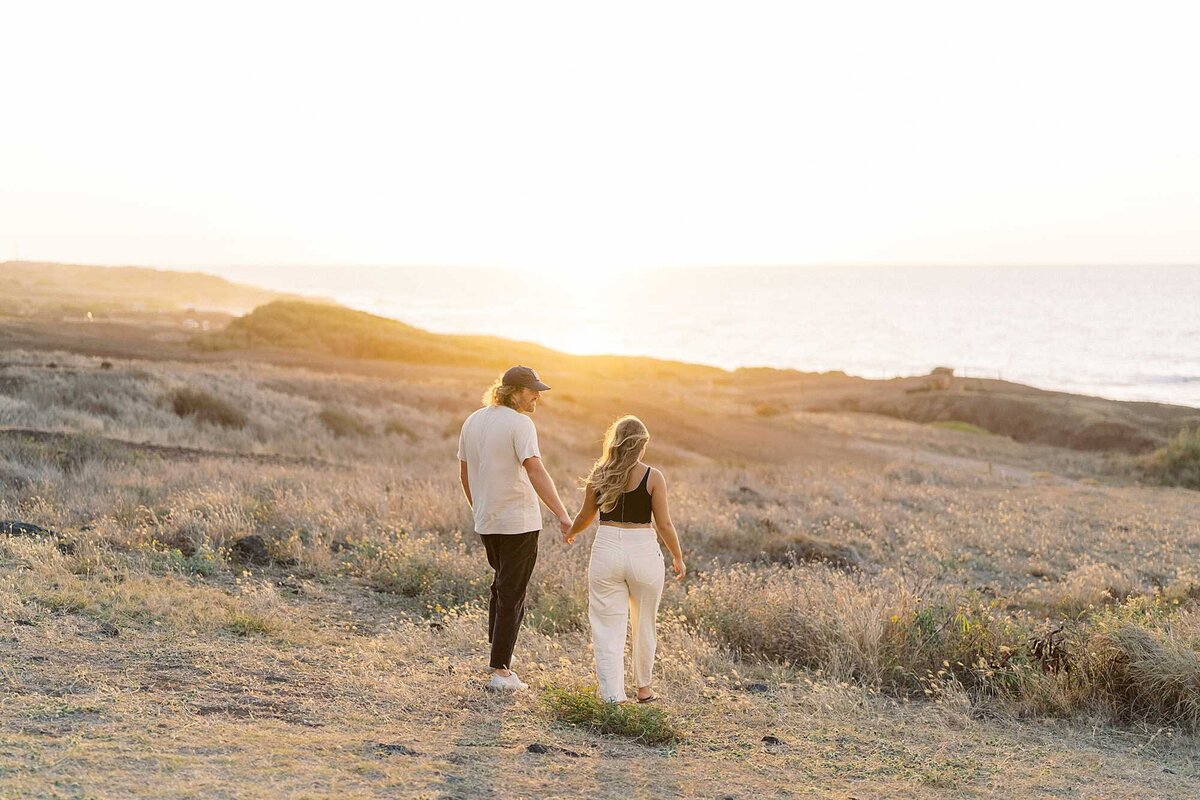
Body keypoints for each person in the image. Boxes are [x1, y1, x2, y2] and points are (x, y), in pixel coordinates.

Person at [458, 365, 573, 691]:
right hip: (518, 523)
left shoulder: (473, 420)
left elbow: (464, 474)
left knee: (500, 588)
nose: (537, 396)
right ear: (514, 391)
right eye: (532, 390)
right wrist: (563, 514)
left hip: (489, 521)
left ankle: (496, 662)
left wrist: (479, 508)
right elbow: (535, 471)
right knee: (512, 593)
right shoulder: (521, 423)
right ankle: (501, 672)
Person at [564, 415, 685, 703]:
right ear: (641, 445)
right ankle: (644, 688)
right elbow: (665, 524)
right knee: (644, 622)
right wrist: (677, 556)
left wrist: (571, 533)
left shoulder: (600, 474)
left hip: (606, 548)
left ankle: (613, 697)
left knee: (607, 626)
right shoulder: (653, 476)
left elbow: (585, 516)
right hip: (643, 550)